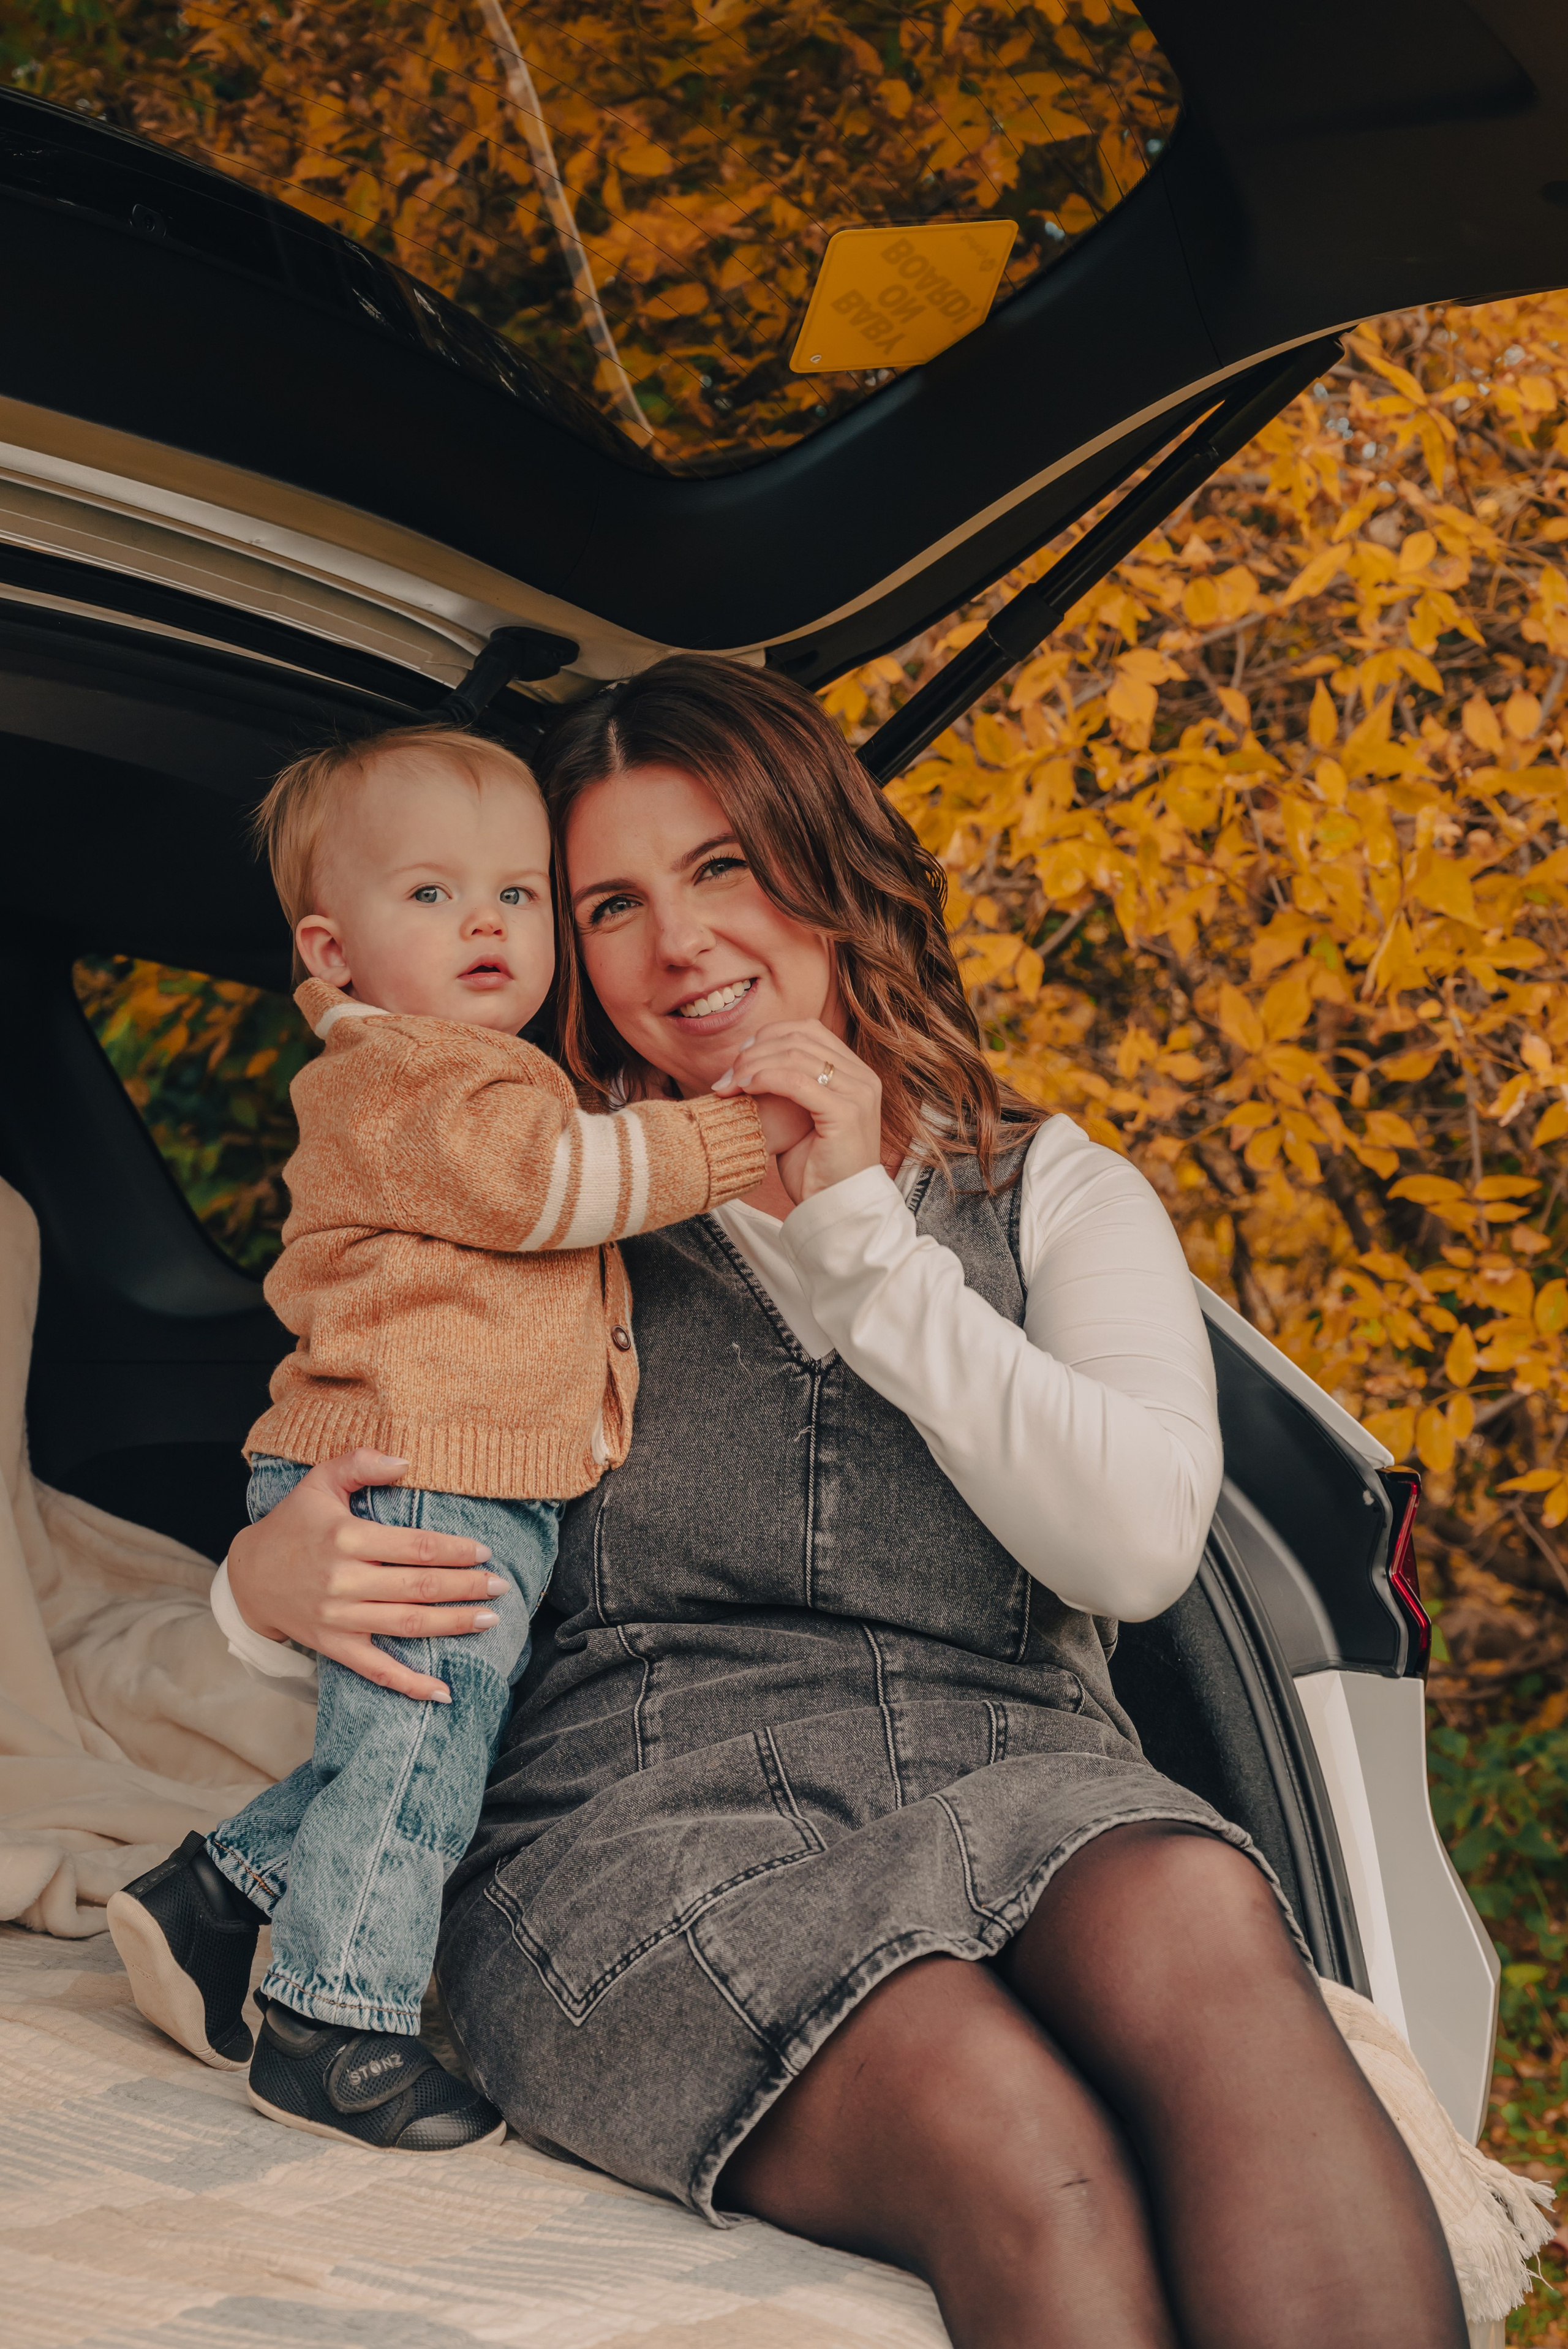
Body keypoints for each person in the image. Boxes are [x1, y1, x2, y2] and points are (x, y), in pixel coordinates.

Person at [216, 662, 1466, 2345]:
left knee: (1194, 1900)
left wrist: (864, 1229)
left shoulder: (1058, 1192)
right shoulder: (540, 1182)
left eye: (722, 866)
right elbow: (377, 1468)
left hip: (1021, 1763)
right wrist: (263, 1585)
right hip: (634, 1818)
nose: (680, 946)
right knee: (1016, 2136)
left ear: (828, 864)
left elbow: (1136, 1546)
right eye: (611, 904)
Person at [107, 722, 789, 2154]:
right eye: (430, 894)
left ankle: (219, 1896)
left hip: (459, 1464)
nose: (486, 920)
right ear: (330, 951)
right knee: (423, 1747)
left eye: (519, 892)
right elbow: (548, 1192)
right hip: (421, 1461)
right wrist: (739, 1137)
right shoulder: (404, 1076)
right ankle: (332, 2022)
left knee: (428, 1738)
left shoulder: (473, 1064)